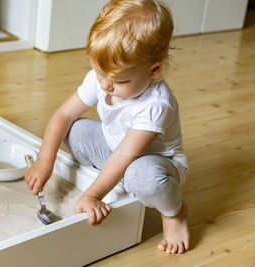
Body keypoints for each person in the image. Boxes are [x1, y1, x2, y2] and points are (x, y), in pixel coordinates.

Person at [25, 0, 189, 254]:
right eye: (98, 73)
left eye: (118, 81)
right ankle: (110, 180)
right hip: (116, 153)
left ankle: (174, 214)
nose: (104, 86)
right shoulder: (103, 77)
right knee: (75, 129)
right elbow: (64, 114)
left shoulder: (156, 104)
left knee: (141, 177)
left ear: (154, 70)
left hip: (153, 164)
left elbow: (128, 154)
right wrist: (45, 160)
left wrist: (93, 195)